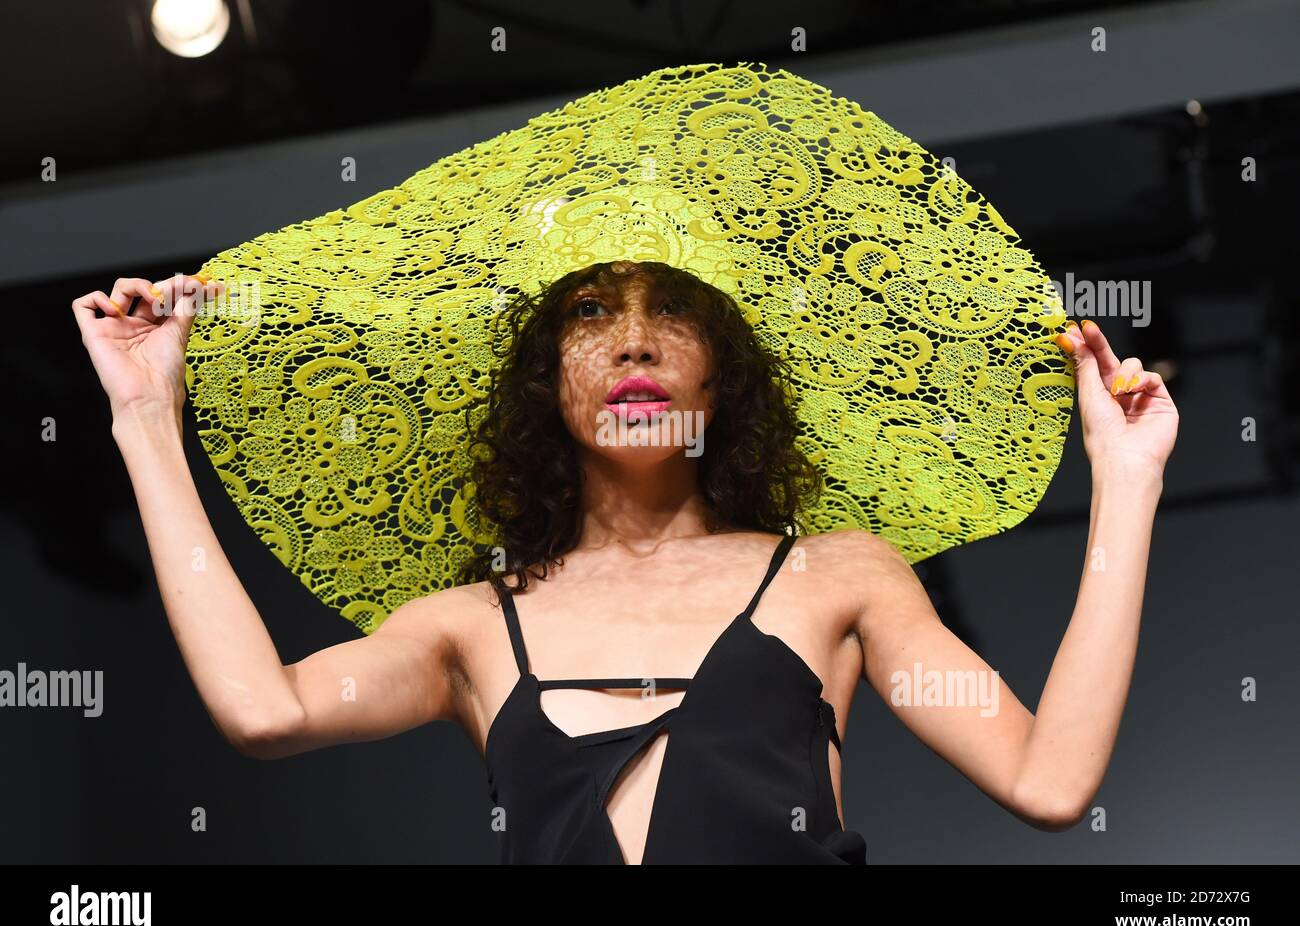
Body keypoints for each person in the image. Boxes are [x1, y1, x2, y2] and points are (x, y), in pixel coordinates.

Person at [72, 258, 1178, 864]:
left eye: (674, 314)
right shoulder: (467, 624)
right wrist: (143, 419)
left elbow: (1049, 780)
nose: (635, 340)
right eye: (591, 312)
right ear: (545, 382)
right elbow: (262, 710)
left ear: (719, 380)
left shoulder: (837, 576)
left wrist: (1123, 483)